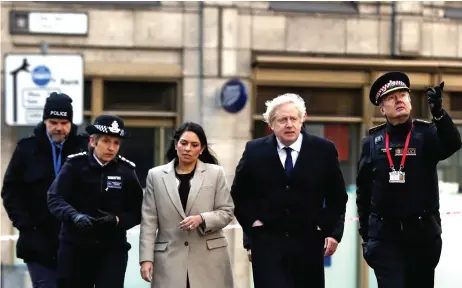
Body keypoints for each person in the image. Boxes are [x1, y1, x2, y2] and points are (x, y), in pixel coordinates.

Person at [230, 93, 348, 288]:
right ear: (271, 123)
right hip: (268, 243)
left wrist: (330, 231)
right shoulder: (254, 151)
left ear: (303, 120)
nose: (289, 124)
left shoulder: (323, 150)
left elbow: (337, 196)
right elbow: (240, 194)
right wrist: (252, 225)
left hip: (308, 242)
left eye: (294, 118)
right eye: (282, 120)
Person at [356, 72, 462, 288]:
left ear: (410, 103)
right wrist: (367, 238)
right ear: (382, 108)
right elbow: (363, 191)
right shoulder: (372, 142)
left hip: (421, 236)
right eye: (391, 97)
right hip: (384, 237)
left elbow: (453, 143)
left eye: (403, 95)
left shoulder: (426, 134)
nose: (399, 100)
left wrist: (439, 114)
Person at [1, 92, 88, 288]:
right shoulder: (26, 149)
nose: (58, 128)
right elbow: (11, 191)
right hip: (37, 242)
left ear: (71, 123)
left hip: (76, 244)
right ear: (45, 121)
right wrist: (26, 226)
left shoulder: (84, 149)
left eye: (64, 122)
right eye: (53, 122)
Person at [47, 115, 143, 288]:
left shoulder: (127, 171)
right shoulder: (74, 165)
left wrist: (117, 220)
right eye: (106, 141)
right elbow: (54, 198)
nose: (111, 148)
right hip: (75, 249)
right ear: (92, 141)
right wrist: (74, 216)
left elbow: (138, 210)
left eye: (116, 142)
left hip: (112, 250)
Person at [139, 122, 234, 288]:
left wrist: (202, 219)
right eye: (183, 143)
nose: (188, 148)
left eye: (194, 145)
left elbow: (227, 211)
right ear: (176, 145)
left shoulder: (215, 173)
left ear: (202, 148)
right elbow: (149, 221)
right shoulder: (155, 175)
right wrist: (146, 259)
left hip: (209, 260)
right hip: (169, 259)